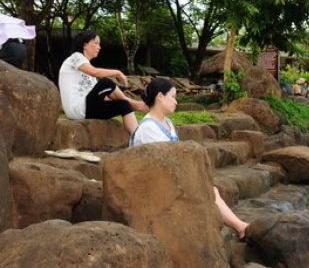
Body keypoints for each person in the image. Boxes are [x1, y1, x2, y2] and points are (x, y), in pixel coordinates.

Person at [130, 78, 250, 239]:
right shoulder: (148, 128)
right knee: (207, 190)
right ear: (160, 96)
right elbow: (163, 162)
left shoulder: (167, 123)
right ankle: (239, 226)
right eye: (172, 96)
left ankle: (239, 226)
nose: (176, 101)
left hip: (167, 175)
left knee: (209, 188)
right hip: (153, 182)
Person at [58, 31, 146, 135]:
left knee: (123, 105)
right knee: (106, 82)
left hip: (88, 109)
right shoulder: (75, 57)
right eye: (96, 43)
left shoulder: (88, 71)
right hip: (78, 108)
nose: (99, 47)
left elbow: (100, 96)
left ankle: (137, 137)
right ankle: (134, 104)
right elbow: (95, 72)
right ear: (84, 45)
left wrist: (114, 98)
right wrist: (117, 72)